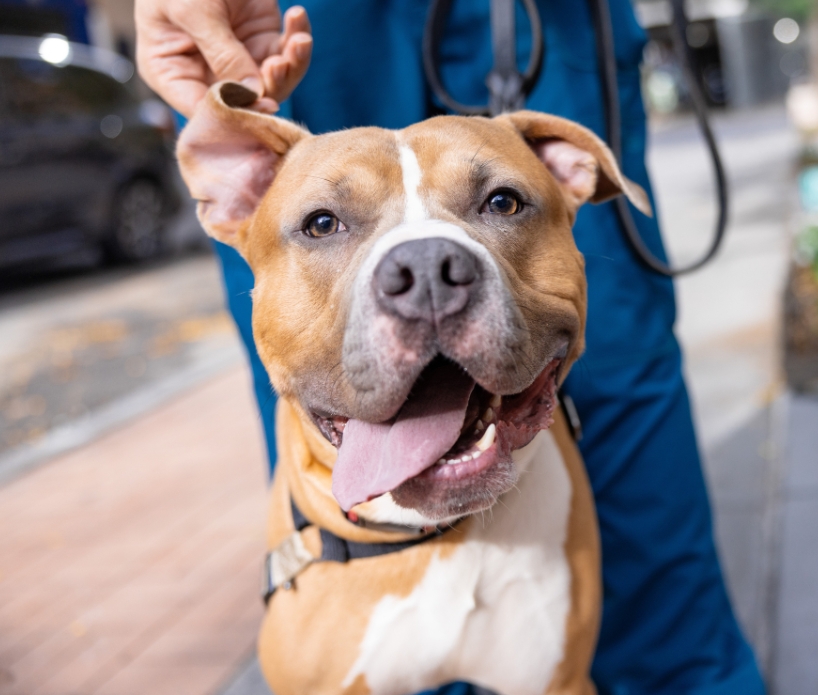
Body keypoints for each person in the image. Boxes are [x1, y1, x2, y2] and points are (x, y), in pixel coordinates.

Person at [135, 2, 765, 693]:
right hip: (303, 15)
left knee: (618, 362)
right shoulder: (258, 175)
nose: (424, 274)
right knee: (336, 373)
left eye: (500, 203)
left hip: (543, 13)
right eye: (322, 222)